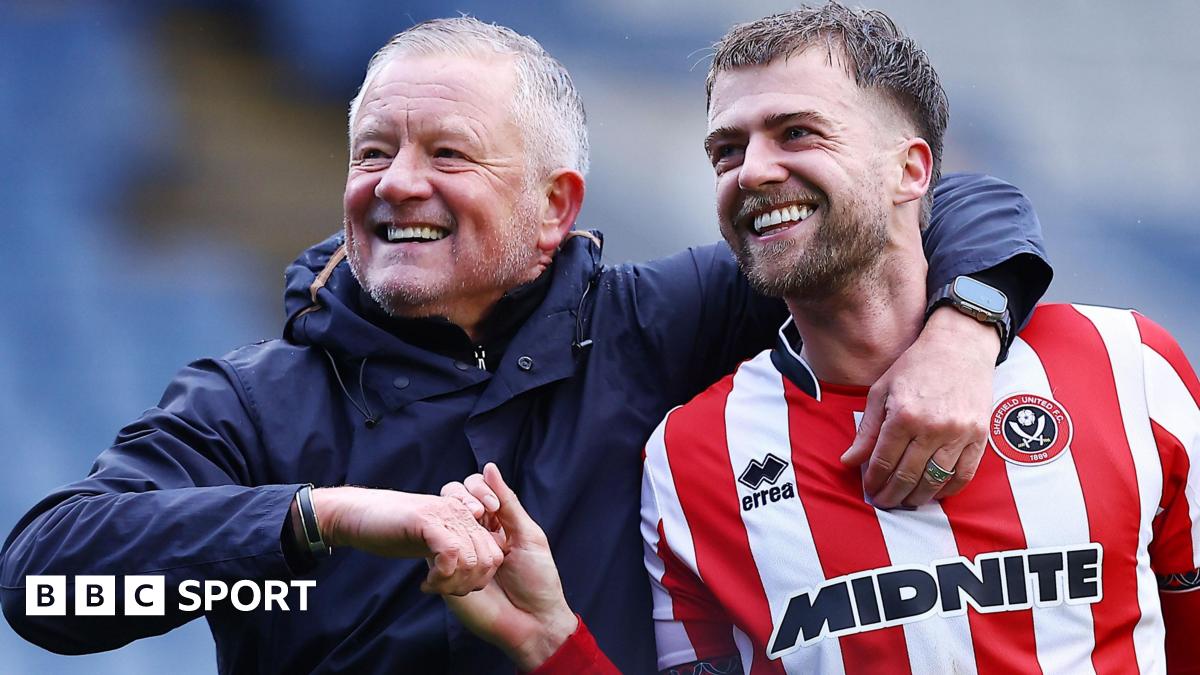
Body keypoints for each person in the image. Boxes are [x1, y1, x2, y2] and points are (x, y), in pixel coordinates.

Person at [1, 16, 1051, 675]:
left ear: (555, 208)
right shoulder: (249, 403)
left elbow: (930, 201)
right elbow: (46, 590)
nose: (396, 183)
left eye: (446, 153)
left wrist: (967, 323)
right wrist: (321, 520)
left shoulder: (659, 322)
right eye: (374, 152)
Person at [440, 5, 1200, 673]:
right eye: (726, 151)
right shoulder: (689, 457)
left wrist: (965, 329)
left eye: (796, 133)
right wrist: (550, 642)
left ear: (911, 170)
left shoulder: (1131, 368)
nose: (753, 172)